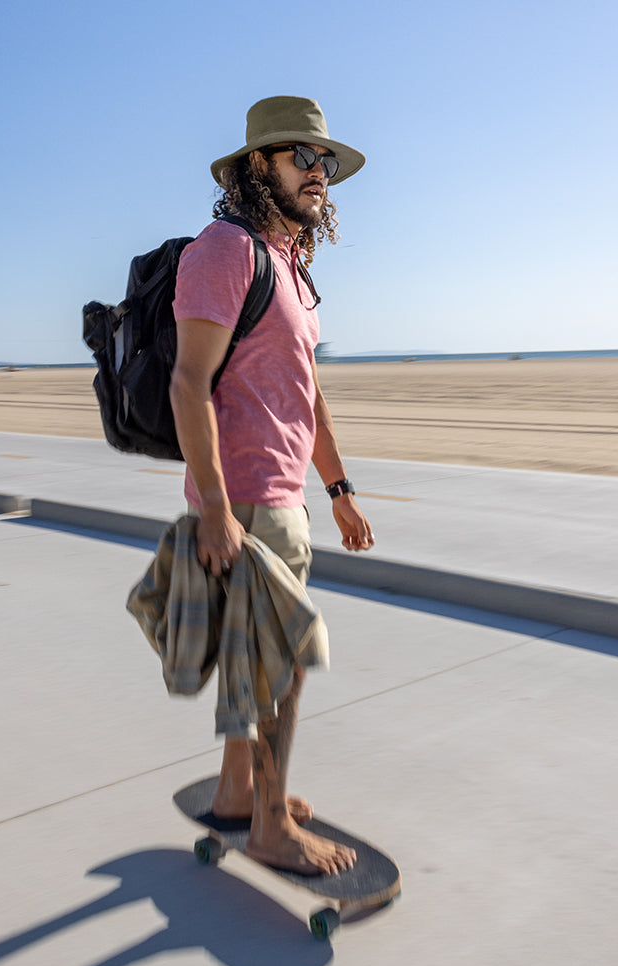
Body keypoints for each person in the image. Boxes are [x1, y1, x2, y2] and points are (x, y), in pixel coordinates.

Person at [169, 96, 374, 876]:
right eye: (304, 158)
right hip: (247, 498)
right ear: (260, 165)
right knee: (279, 664)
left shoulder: (287, 261)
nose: (321, 174)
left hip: (283, 492)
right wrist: (218, 509)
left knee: (251, 655)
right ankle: (269, 827)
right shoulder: (225, 251)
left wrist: (339, 486)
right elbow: (189, 384)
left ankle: (237, 793)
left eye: (327, 163)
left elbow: (305, 390)